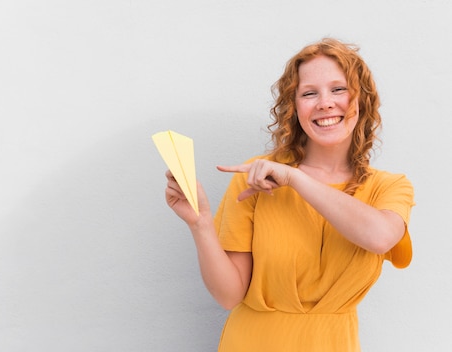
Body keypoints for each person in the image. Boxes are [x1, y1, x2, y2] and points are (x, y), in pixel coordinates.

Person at [163, 38, 415, 351]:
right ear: (295, 108)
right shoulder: (256, 177)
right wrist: (200, 223)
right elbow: (229, 296)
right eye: (309, 93)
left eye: (338, 89)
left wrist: (295, 178)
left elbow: (379, 237)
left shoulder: (390, 187)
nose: (325, 102)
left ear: (360, 99)